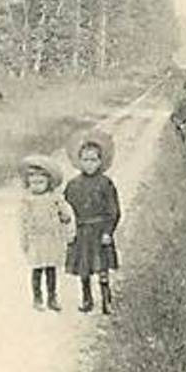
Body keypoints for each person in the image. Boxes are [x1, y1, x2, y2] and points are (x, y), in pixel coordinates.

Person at [64, 133, 121, 314]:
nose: (89, 164)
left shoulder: (105, 184)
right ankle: (86, 299)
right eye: (85, 160)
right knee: (84, 267)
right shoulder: (73, 185)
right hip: (81, 231)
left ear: (100, 162)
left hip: (99, 230)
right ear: (78, 161)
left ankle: (106, 299)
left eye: (93, 160)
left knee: (102, 266)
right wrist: (67, 228)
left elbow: (113, 211)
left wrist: (108, 232)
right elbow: (66, 209)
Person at [18, 154, 75, 312]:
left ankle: (52, 297)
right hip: (36, 238)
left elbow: (65, 215)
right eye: (33, 183)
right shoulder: (27, 201)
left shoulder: (54, 198)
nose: (36, 186)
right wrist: (24, 240)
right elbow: (23, 222)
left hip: (51, 238)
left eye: (40, 182)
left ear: (48, 183)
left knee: (51, 269)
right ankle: (37, 297)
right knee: (37, 269)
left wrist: (64, 214)